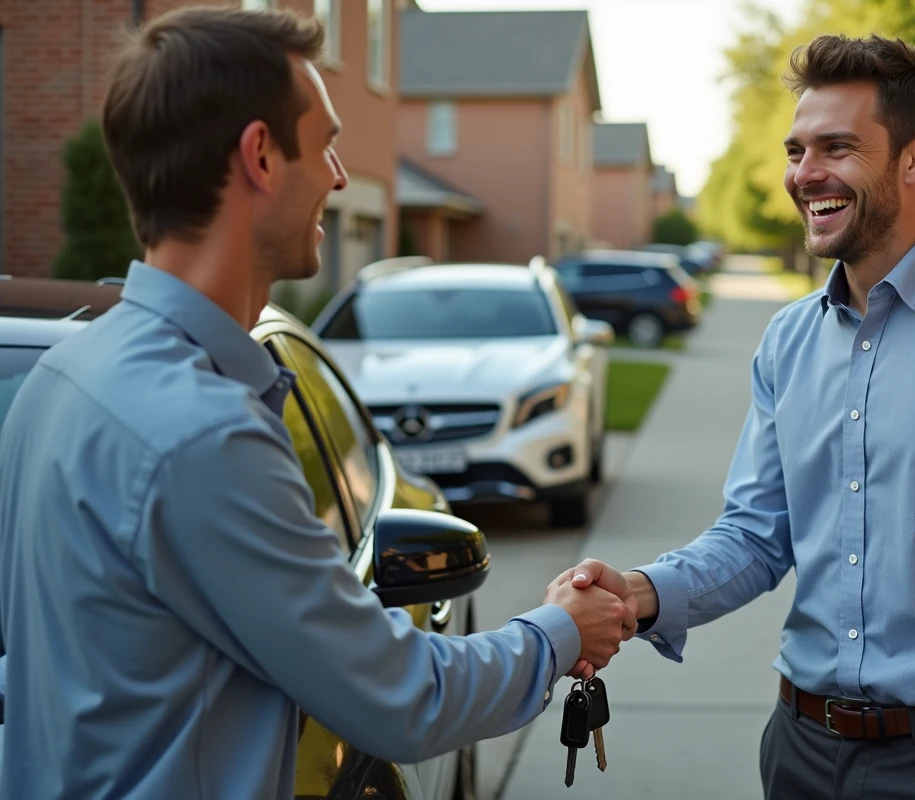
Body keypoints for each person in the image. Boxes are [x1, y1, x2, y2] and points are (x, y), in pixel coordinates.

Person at [0, 8, 634, 798]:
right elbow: (402, 697)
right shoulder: (202, 435)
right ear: (260, 155)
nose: (339, 176)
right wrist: (560, 632)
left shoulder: (60, 377)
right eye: (327, 144)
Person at [561, 34, 915, 800]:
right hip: (798, 751)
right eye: (796, 150)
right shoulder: (789, 338)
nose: (804, 174)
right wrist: (640, 592)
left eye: (836, 147)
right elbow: (757, 535)